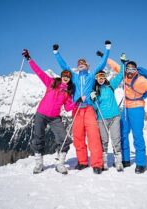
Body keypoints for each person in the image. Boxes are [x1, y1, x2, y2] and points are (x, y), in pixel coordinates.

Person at [53, 40, 111, 174]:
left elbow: (102, 64)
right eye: (79, 64)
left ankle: (97, 163)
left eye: (83, 64)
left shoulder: (91, 76)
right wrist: (56, 53)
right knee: (78, 137)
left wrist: (107, 50)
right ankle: (82, 161)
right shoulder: (73, 77)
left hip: (89, 109)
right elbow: (64, 66)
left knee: (93, 136)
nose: (80, 65)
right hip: (77, 109)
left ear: (87, 66)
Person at [22, 49, 76, 175]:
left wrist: (77, 101)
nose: (66, 78)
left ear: (70, 78)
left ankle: (60, 163)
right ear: (61, 76)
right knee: (38, 138)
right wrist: (29, 59)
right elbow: (39, 72)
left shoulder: (68, 92)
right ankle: (39, 164)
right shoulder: (51, 83)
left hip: (55, 117)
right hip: (41, 114)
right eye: (64, 76)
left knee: (64, 139)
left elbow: (68, 108)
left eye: (68, 76)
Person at [90, 53, 126, 172]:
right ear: (96, 79)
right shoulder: (95, 90)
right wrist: (92, 98)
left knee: (116, 138)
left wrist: (123, 63)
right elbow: (93, 106)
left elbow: (121, 75)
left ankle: (118, 161)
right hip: (102, 118)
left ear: (105, 77)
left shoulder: (111, 86)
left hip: (115, 116)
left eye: (102, 76)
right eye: (99, 77)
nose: (101, 78)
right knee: (104, 140)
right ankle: (104, 162)